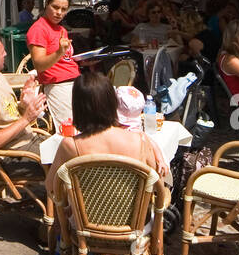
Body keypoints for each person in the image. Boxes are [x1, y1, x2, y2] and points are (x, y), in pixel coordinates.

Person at [45, 69, 169, 204]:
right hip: (134, 221)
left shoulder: (69, 145)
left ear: (77, 107)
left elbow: (51, 187)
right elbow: (156, 184)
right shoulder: (139, 140)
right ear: (112, 103)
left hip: (85, 223)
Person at [26, 0, 81, 123]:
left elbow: (64, 60)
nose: (59, 13)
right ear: (46, 4)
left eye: (64, 9)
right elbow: (39, 64)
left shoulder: (61, 29)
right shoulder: (39, 29)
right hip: (58, 86)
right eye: (55, 7)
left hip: (75, 83)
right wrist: (59, 52)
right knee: (69, 129)